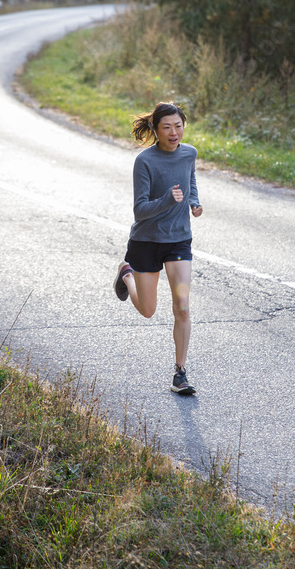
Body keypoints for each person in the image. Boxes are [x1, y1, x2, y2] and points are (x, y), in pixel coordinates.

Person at [114, 102, 203, 395]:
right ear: (155, 129)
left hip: (178, 240)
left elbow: (189, 179)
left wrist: (193, 201)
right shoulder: (145, 161)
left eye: (178, 126)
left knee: (183, 305)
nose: (174, 132)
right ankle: (126, 274)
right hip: (147, 242)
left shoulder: (189, 153)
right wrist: (168, 199)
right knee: (149, 310)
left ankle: (180, 373)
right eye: (167, 127)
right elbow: (140, 211)